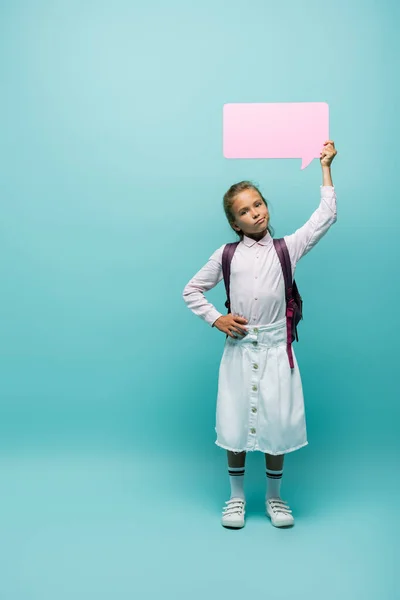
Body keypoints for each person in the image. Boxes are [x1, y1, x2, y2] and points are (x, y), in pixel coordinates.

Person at [182, 141, 337, 529]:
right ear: (235, 223)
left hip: (275, 350)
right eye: (244, 211)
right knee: (235, 422)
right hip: (238, 351)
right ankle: (235, 498)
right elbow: (191, 291)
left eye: (258, 204)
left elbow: (326, 215)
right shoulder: (226, 254)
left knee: (276, 424)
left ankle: (274, 497)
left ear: (266, 205)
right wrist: (217, 319)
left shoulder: (288, 249)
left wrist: (325, 168)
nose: (255, 213)